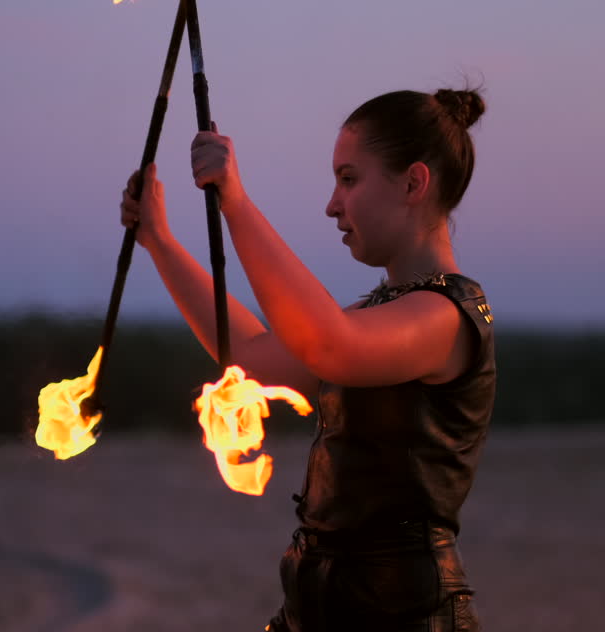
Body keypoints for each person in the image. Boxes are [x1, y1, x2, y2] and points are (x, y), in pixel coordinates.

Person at [120, 88, 495, 632]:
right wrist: (160, 242)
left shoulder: (446, 317)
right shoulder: (383, 314)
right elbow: (251, 359)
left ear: (414, 183)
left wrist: (237, 204)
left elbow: (327, 344)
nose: (333, 204)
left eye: (349, 179)